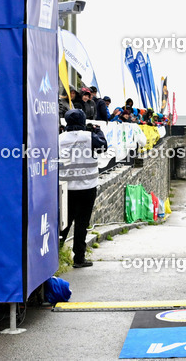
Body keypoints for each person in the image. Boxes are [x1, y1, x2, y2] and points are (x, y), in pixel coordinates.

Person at [59, 109, 107, 267]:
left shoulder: (59, 139)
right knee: (81, 224)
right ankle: (79, 258)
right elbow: (103, 147)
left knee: (63, 223)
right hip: (87, 188)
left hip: (66, 189)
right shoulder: (89, 137)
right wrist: (98, 131)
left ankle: (54, 256)